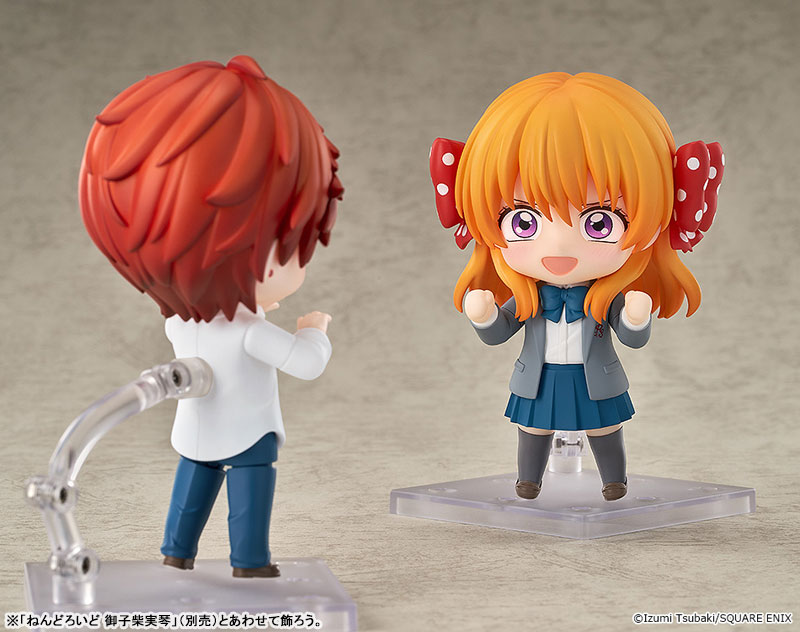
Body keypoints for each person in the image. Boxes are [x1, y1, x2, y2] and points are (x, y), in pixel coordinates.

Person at [79, 55, 343, 576]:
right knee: (250, 494)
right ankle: (249, 561)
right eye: (286, 245)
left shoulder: (179, 322)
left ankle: (176, 552)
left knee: (193, 485)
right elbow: (306, 364)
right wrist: (314, 333)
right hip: (248, 433)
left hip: (196, 429)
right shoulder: (250, 332)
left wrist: (248, 304)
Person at [430, 72, 723, 501]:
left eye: (598, 222)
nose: (559, 246)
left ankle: (614, 480)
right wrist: (485, 315)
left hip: (595, 378)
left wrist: (636, 317)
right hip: (539, 377)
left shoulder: (606, 297)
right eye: (524, 221)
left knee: (605, 427)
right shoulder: (531, 297)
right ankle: (529, 479)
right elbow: (497, 334)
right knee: (533, 428)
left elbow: (633, 338)